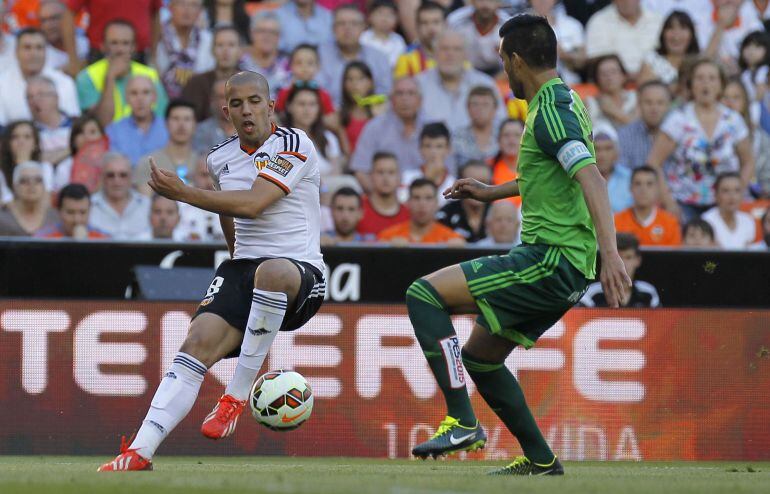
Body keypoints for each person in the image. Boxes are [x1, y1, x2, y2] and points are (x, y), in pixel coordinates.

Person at [405, 14, 629, 475]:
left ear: (517, 59)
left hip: (551, 258)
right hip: (565, 262)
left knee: (423, 294)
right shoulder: (564, 99)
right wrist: (490, 193)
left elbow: (592, 178)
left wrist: (612, 255)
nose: (504, 71)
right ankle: (542, 460)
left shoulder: (549, 111)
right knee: (481, 358)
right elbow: (551, 175)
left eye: (504, 60)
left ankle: (461, 421)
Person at [98, 71, 326, 471]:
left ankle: (235, 397)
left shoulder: (294, 143)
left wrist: (183, 192)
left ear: (271, 106)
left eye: (255, 101)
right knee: (196, 343)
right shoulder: (219, 157)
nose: (247, 110)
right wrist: (237, 262)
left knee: (270, 273)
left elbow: (254, 203)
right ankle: (140, 450)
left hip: (300, 273)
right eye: (237, 104)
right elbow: (228, 210)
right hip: (245, 267)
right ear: (226, 111)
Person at [646, 58, 754, 222]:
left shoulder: (733, 119)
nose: (706, 84)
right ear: (691, 84)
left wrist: (737, 193)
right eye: (700, 78)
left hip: (724, 204)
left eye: (712, 78)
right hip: (684, 204)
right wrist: (669, 203)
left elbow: (748, 162)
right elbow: (653, 162)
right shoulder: (678, 119)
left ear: (721, 84)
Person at [76, 20, 168, 126]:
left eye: (125, 43)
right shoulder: (87, 77)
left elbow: (161, 118)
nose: (120, 49)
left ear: (133, 48)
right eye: (114, 43)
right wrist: (110, 77)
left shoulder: (150, 74)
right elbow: (101, 123)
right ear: (102, 46)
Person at [416, 31, 506, 131]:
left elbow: (500, 123)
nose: (450, 54)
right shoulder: (418, 85)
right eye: (444, 49)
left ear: (466, 55)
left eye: (457, 49)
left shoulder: (485, 84)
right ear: (434, 53)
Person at [350, 77, 427, 190]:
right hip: (384, 195)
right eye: (399, 93)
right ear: (391, 100)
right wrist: (382, 199)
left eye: (411, 93)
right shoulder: (375, 127)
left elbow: (446, 169)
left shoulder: (432, 128)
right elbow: (360, 170)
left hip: (425, 196)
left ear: (420, 100)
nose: (405, 98)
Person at [0, 28, 80, 126]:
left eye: (39, 48)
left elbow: (72, 125)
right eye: (27, 48)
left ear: (46, 52)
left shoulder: (65, 83)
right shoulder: (2, 84)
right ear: (16, 52)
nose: (33, 54)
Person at [61, 0, 162, 75]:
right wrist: (73, 60)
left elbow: (155, 15)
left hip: (139, 56)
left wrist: (154, 56)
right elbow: (69, 14)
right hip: (101, 56)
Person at [317, 4, 392, 105]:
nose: (347, 28)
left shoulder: (379, 58)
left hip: (370, 114)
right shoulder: (319, 55)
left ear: (364, 28)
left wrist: (365, 105)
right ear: (333, 28)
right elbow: (316, 93)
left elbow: (385, 95)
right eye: (341, 23)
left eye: (354, 23)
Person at [135, 100, 199, 195]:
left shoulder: (204, 165)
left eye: (187, 119)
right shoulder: (149, 164)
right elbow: (145, 202)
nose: (181, 125)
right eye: (175, 119)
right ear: (166, 123)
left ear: (195, 125)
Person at [721, 77, 770, 200]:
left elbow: (766, 172)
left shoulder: (759, 136)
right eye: (725, 97)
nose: (730, 103)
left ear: (745, 102)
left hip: (752, 198)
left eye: (736, 98)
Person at [580, 232, 660, 307]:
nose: (623, 263)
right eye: (619, 257)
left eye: (628, 257)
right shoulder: (592, 293)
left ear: (638, 260)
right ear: (607, 260)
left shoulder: (648, 293)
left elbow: (659, 321)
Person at [585, 0, 663, 77]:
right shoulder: (598, 21)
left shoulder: (658, 20)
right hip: (614, 84)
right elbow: (596, 60)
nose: (626, 2)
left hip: (656, 81)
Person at [181, 26, 243, 122]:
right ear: (212, 50)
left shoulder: (250, 84)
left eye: (231, 45)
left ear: (240, 51)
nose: (225, 51)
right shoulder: (196, 84)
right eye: (220, 45)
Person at [378, 178, 465, 245]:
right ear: (408, 203)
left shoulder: (451, 240)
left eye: (428, 198)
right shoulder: (388, 237)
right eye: (416, 198)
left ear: (437, 203)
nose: (422, 204)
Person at [156, 0, 215, 99]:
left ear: (200, 11)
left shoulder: (208, 40)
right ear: (170, 7)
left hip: (200, 100)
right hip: (162, 99)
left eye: (193, 5)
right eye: (181, 3)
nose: (187, 10)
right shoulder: (157, 38)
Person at [105, 75, 169, 166]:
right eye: (134, 93)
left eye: (146, 92)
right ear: (126, 99)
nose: (140, 99)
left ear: (155, 97)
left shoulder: (168, 127)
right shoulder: (113, 131)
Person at [283, 86, 343, 178]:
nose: (307, 109)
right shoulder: (280, 139)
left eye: (312, 104)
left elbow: (336, 174)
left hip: (328, 189)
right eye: (301, 104)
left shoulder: (329, 138)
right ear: (289, 106)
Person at [88, 153, 151, 239]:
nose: (117, 181)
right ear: (102, 178)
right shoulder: (89, 206)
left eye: (123, 175)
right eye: (110, 175)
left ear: (131, 178)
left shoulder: (147, 205)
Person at [614, 166, 682, 246]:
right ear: (630, 188)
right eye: (638, 184)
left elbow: (675, 257)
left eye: (649, 184)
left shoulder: (670, 223)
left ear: (657, 189)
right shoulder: (616, 221)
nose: (643, 189)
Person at [637, 10, 701, 88]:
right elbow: (647, 92)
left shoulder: (699, 62)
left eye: (683, 28)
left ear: (692, 35)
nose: (676, 35)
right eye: (670, 28)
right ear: (663, 33)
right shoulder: (651, 61)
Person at [617, 80, 672, 169]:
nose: (654, 108)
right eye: (648, 102)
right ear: (639, 104)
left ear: (668, 105)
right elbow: (623, 173)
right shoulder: (625, 134)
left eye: (660, 103)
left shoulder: (677, 134)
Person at [530, 0, 586, 85]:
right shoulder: (518, 27)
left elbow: (583, 61)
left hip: (570, 85)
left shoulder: (572, 25)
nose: (542, 1)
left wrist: (565, 55)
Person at [401, 123, 457, 206]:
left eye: (439, 146)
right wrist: (428, 178)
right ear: (420, 149)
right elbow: (403, 209)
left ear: (448, 149)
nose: (433, 152)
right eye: (428, 146)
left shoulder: (455, 185)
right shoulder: (406, 178)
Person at [437, 161, 492, 242]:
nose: (477, 188)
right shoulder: (445, 215)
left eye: (483, 183)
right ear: (458, 184)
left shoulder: (500, 213)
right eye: (470, 183)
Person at [0, 121, 54, 204]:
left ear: (35, 144)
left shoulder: (45, 168)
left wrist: (23, 164)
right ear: (8, 143)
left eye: (27, 137)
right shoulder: (1, 172)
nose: (21, 141)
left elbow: (46, 202)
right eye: (14, 137)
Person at [274, 45, 336, 116]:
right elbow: (278, 115)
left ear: (318, 66)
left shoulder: (324, 95)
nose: (304, 67)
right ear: (291, 66)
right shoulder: (284, 93)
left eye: (310, 63)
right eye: (299, 63)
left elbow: (330, 116)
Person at [447, 0, 506, 75]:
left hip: (499, 73)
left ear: (499, 2)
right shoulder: (455, 21)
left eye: (491, 0)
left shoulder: (507, 24)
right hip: (463, 71)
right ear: (472, 1)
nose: (485, 5)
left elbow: (512, 63)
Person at [338, 61, 386, 153]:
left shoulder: (382, 110)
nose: (354, 84)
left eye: (360, 79)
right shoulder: (340, 115)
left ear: (370, 83)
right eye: (349, 79)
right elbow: (346, 152)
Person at [357, 152, 409, 236]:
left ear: (400, 177)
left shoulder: (409, 215)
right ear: (371, 176)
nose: (386, 178)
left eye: (391, 172)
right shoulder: (357, 209)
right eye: (380, 172)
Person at [240, 12, 290, 100]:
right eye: (262, 31)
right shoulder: (240, 63)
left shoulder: (289, 65)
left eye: (272, 32)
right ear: (251, 33)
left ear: (279, 36)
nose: (267, 36)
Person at [0, 161, 58, 236]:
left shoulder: (56, 217)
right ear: (15, 186)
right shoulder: (2, 216)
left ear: (44, 186)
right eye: (24, 181)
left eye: (38, 180)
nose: (31, 185)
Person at [702, 172, 757, 249]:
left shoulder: (748, 221)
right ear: (716, 195)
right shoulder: (706, 220)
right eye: (725, 191)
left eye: (737, 190)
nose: (732, 196)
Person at [26, 76, 72, 166]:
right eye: (29, 97)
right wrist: (71, 149)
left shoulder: (77, 125)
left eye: (41, 94)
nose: (34, 100)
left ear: (56, 97)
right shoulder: (26, 132)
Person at [53, 115, 107, 191]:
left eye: (92, 132)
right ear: (73, 140)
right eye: (81, 133)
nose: (87, 137)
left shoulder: (111, 163)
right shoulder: (65, 167)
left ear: (102, 137)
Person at [35, 182, 109, 238]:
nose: (77, 220)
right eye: (70, 212)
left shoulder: (103, 240)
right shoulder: (43, 239)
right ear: (59, 211)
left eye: (82, 212)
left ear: (90, 211)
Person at [394, 0, 447, 78]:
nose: (431, 28)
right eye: (425, 23)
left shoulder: (456, 54)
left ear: (445, 24)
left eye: (436, 22)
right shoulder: (406, 58)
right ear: (417, 27)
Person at [585, 55, 638, 129]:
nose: (609, 77)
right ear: (596, 80)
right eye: (603, 74)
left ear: (624, 76)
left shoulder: (636, 97)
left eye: (613, 72)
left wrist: (612, 111)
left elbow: (640, 128)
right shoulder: (590, 102)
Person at [452, 86, 501, 166]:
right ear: (467, 108)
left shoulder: (504, 135)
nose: (480, 109)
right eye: (475, 104)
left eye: (485, 104)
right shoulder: (456, 136)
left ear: (495, 109)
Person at [38, 0, 90, 70]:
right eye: (43, 20)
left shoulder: (86, 45)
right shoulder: (38, 53)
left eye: (54, 18)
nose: (48, 25)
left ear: (69, 19)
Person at [593, 123, 632, 212]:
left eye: (608, 148)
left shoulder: (629, 178)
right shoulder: (581, 180)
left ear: (617, 152)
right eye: (597, 149)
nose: (602, 155)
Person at [192, 79, 236, 155]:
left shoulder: (249, 130)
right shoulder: (201, 131)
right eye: (222, 97)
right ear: (212, 100)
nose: (227, 102)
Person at [360, 0, 407, 68]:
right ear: (369, 17)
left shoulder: (398, 40)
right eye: (380, 13)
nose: (384, 19)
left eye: (389, 15)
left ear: (397, 19)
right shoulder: (363, 38)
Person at [489, 118, 524, 206]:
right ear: (498, 140)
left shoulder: (536, 168)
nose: (511, 141)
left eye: (517, 135)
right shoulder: (488, 168)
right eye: (506, 135)